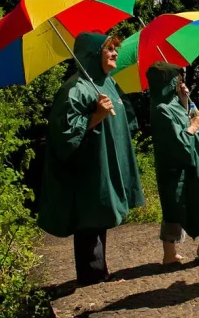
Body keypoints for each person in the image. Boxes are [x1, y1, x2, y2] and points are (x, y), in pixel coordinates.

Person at [37, 32, 145, 286]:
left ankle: (100, 273)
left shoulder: (106, 83)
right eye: (109, 49)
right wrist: (96, 116)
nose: (115, 53)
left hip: (105, 162)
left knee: (100, 216)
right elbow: (64, 135)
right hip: (88, 169)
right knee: (90, 218)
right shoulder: (75, 89)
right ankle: (92, 279)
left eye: (115, 48)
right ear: (93, 54)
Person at [146, 61, 199, 266]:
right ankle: (171, 255)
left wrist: (185, 103)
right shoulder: (161, 109)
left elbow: (186, 125)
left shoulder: (173, 102)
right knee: (175, 206)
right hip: (175, 165)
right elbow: (180, 141)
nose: (179, 82)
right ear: (166, 82)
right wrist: (194, 124)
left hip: (193, 161)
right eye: (176, 79)